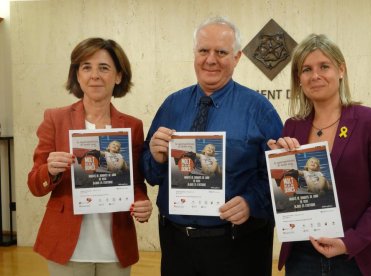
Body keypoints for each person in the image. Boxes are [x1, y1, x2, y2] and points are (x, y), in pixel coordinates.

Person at [141, 16, 283, 276]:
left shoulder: (259, 109)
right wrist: (154, 157)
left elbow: (279, 174)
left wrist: (252, 201)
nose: (211, 59)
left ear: (237, 57)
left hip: (238, 246)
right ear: (194, 54)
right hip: (176, 245)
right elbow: (150, 174)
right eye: (204, 51)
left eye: (221, 52)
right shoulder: (172, 106)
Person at [267, 34, 371, 276]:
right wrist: (279, 165)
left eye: (324, 66)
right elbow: (290, 193)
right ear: (299, 79)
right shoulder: (292, 126)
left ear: (340, 70)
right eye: (306, 69)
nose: (315, 75)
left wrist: (350, 242)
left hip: (356, 256)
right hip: (302, 256)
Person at [27, 37, 153, 276]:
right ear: (77, 75)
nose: (94, 75)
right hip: (67, 247)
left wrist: (141, 203)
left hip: (116, 247)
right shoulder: (55, 119)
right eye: (86, 67)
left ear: (118, 76)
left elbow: (135, 182)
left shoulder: (132, 126)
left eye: (104, 68)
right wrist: (50, 170)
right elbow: (35, 184)